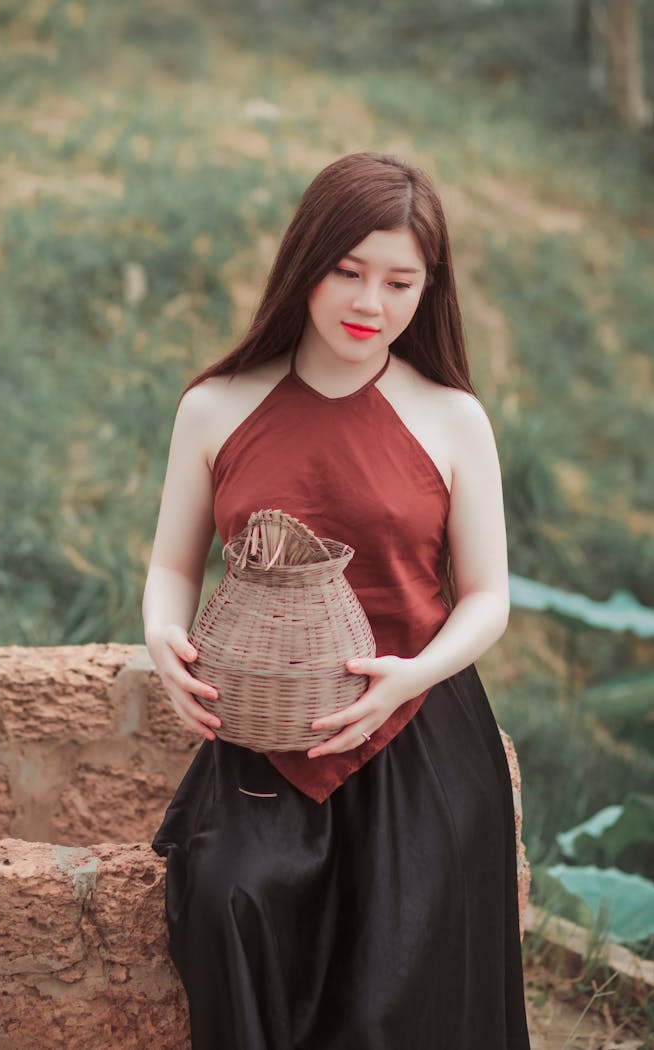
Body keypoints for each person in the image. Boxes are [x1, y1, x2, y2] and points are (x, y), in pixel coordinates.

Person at [143, 151, 531, 1050]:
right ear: (304, 262)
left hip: (419, 727)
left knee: (387, 999)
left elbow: (487, 598)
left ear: (428, 290)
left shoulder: (451, 416)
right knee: (227, 901)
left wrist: (409, 677)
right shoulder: (215, 406)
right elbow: (173, 568)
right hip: (263, 733)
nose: (370, 305)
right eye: (347, 271)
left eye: (401, 282)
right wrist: (163, 635)